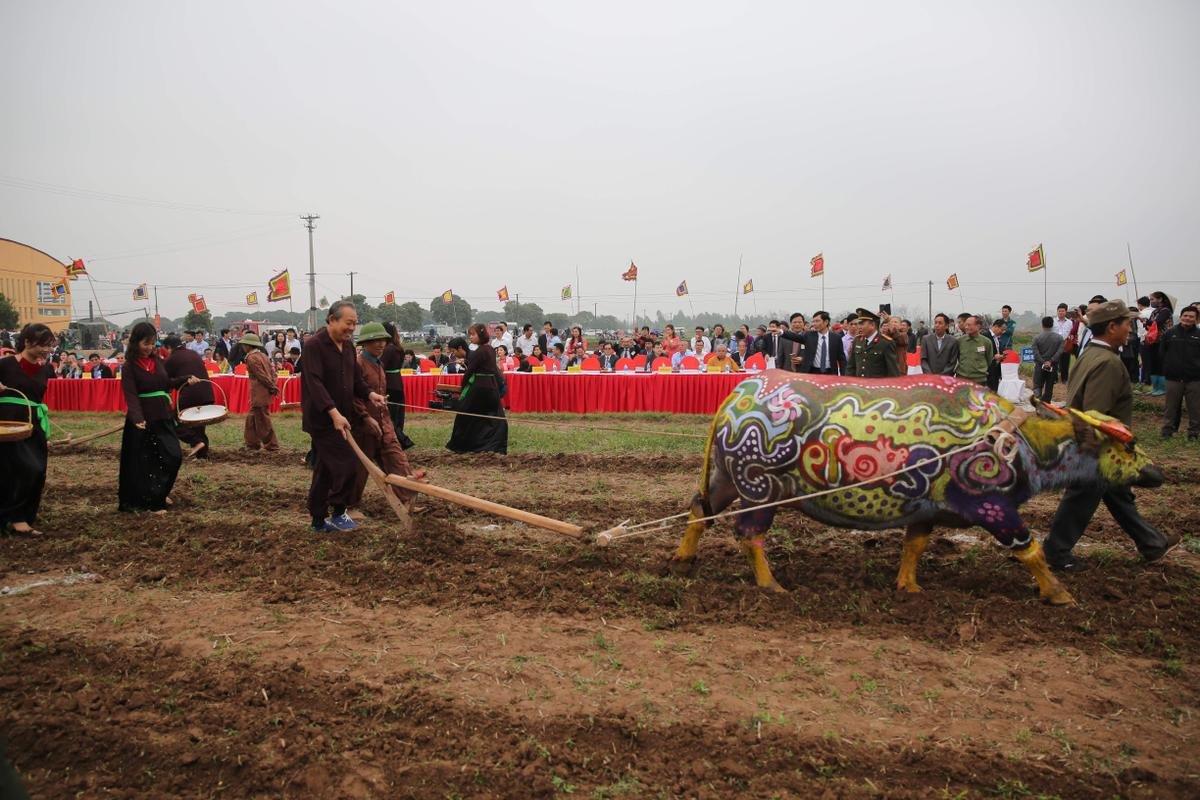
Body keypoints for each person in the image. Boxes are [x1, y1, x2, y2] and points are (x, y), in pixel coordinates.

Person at [1043, 300, 1180, 572]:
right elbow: (1097, 416)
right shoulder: (1106, 362)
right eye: (1127, 323)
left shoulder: (1091, 354)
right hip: (1099, 446)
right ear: (1112, 326)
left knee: (1118, 495)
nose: (1131, 328)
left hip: (1094, 444)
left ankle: (1151, 543)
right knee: (1082, 497)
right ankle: (1056, 553)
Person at [301, 301, 388, 532]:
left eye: (354, 324)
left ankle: (318, 521)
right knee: (347, 464)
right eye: (348, 323)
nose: (351, 328)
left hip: (343, 417)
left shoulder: (348, 347)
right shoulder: (314, 346)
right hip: (323, 419)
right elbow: (315, 384)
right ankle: (339, 511)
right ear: (331, 319)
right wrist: (333, 413)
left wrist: (370, 394)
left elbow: (355, 380)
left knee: (325, 469)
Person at [118, 322, 200, 512]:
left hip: (163, 416)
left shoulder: (157, 361)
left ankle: (159, 492)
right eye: (145, 343)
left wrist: (185, 379)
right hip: (144, 421)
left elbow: (166, 383)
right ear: (135, 342)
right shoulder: (130, 367)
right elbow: (130, 395)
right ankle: (151, 502)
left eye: (153, 343)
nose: (149, 347)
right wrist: (137, 418)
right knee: (146, 462)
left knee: (173, 456)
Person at [349, 322, 422, 509]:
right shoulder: (358, 364)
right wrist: (365, 417)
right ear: (364, 343)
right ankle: (349, 506)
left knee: (396, 459)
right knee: (360, 466)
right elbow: (353, 396)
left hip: (383, 419)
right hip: (363, 423)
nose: (381, 344)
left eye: (383, 340)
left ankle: (407, 500)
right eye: (375, 341)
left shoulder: (378, 363)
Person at [0, 323, 56, 536]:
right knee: (13, 469)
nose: (46, 350)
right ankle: (15, 518)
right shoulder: (5, 365)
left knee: (37, 469)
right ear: (26, 342)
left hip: (33, 426)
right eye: (42, 345)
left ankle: (23, 513)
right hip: (8, 426)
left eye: (49, 346)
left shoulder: (44, 369)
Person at [444, 325, 508, 454]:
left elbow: (469, 372)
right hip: (491, 386)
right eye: (470, 334)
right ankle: (495, 445)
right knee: (495, 417)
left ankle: (462, 445)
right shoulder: (490, 349)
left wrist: (463, 387)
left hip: (480, 387)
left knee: (465, 414)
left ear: (481, 335)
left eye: (473, 334)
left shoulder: (479, 351)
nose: (470, 337)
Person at [164, 334, 216, 459]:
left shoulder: (172, 359)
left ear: (168, 348)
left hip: (191, 393)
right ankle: (202, 456)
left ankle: (195, 441)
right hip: (207, 392)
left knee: (172, 421)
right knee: (198, 424)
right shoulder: (193, 353)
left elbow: (165, 381)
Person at [1159, 305, 1200, 440]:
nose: (1188, 319)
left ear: (1196, 319)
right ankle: (1167, 431)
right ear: (1181, 317)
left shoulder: (1198, 335)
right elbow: (1162, 353)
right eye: (1185, 316)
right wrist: (1168, 368)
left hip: (1194, 378)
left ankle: (1193, 433)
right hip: (1173, 378)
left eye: (1191, 317)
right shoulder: (1170, 333)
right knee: (1170, 407)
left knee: (1195, 408)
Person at [240, 332, 279, 452]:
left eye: (244, 345)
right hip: (263, 392)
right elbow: (273, 372)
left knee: (262, 420)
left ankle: (271, 445)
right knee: (251, 419)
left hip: (259, 393)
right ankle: (252, 444)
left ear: (248, 346)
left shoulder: (251, 358)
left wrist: (272, 386)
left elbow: (260, 375)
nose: (243, 347)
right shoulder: (263, 355)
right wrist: (273, 385)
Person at [380, 322, 414, 450]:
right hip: (397, 382)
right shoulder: (398, 347)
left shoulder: (388, 349)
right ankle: (398, 438)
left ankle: (400, 440)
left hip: (390, 383)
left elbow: (381, 365)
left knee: (391, 415)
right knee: (398, 414)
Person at [847, 308, 900, 378]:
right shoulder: (857, 341)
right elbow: (851, 367)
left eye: (862, 324)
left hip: (877, 387)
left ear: (872, 325)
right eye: (859, 324)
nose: (859, 327)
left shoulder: (886, 343)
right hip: (859, 387)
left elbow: (893, 372)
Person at [1144, 291, 1175, 396]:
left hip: (1163, 340)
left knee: (1160, 364)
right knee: (1153, 364)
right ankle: (1155, 387)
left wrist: (1145, 322)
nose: (1151, 301)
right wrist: (1146, 323)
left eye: (1152, 299)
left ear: (1160, 299)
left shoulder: (1165, 311)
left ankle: (1162, 388)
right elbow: (1149, 325)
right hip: (1153, 340)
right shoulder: (1155, 311)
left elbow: (1157, 322)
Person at [1031, 316, 1064, 403]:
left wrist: (1043, 362)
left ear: (1042, 325)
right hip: (1053, 366)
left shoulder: (1037, 338)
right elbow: (1060, 351)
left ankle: (1038, 404)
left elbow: (1035, 353)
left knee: (1038, 386)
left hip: (1039, 366)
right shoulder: (1059, 338)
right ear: (1052, 325)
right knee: (1049, 387)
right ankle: (1046, 404)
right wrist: (1050, 361)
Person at [954, 315, 993, 385]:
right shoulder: (960, 341)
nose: (966, 327)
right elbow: (958, 357)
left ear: (978, 326)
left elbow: (989, 360)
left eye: (969, 325)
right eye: (966, 325)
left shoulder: (986, 342)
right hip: (961, 379)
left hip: (979, 380)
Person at [805, 311, 845, 375]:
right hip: (813, 372)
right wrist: (782, 333)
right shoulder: (809, 335)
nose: (814, 324)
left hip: (831, 373)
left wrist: (843, 376)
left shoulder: (836, 338)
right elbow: (795, 337)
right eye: (813, 321)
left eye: (817, 321)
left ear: (826, 322)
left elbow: (841, 359)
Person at [986, 319, 1008, 392]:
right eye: (1002, 329)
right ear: (995, 326)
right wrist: (994, 356)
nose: (1003, 332)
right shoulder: (985, 336)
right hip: (988, 370)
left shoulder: (997, 337)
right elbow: (983, 353)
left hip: (995, 369)